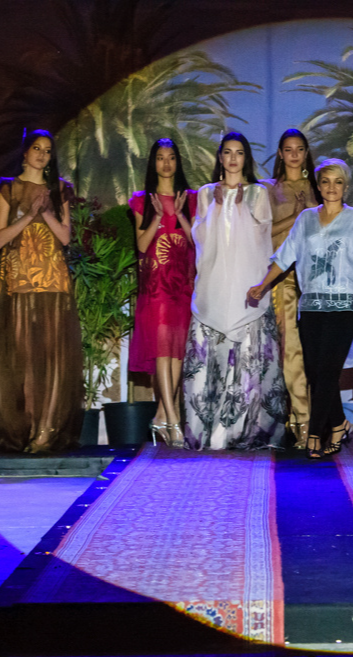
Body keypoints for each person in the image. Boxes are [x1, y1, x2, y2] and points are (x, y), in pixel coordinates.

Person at [248, 159, 353, 458]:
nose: (332, 187)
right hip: (311, 305)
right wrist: (262, 285)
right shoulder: (306, 219)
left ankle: (315, 434)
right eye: (326, 181)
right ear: (318, 186)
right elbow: (285, 256)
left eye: (338, 182)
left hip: (345, 304)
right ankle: (338, 423)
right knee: (315, 371)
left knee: (328, 369)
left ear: (346, 187)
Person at [183, 132, 286, 451]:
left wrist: (241, 209)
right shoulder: (205, 193)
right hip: (214, 287)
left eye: (238, 153)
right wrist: (216, 208)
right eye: (227, 152)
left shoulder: (257, 192)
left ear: (246, 158)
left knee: (247, 363)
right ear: (219, 157)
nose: (232, 158)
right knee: (210, 359)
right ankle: (209, 431)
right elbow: (200, 238)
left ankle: (246, 431)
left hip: (245, 285)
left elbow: (261, 238)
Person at [0, 129, 83, 453]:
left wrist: (45, 213)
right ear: (25, 153)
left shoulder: (59, 189)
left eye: (47, 150)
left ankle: (47, 429)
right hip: (19, 283)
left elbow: (65, 237)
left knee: (54, 357)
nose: (42, 155)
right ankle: (28, 427)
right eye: (36, 148)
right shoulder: (8, 189)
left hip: (53, 282)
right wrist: (29, 215)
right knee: (25, 360)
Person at [128, 138, 196, 447]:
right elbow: (142, 246)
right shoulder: (142, 200)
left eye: (171, 157)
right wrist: (157, 216)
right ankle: (173, 419)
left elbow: (198, 243)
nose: (166, 163)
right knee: (162, 351)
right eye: (160, 157)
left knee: (178, 351)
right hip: (156, 287)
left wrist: (180, 215)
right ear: (153, 163)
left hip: (183, 285)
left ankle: (160, 417)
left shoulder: (191, 199)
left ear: (177, 162)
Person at [259, 129, 320, 448]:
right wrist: (296, 218)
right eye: (288, 149)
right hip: (283, 278)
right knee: (290, 350)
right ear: (280, 154)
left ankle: (316, 419)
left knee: (315, 352)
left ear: (306, 153)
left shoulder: (318, 187)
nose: (294, 155)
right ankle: (300, 420)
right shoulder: (268, 189)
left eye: (299, 149)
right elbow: (261, 232)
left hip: (316, 279)